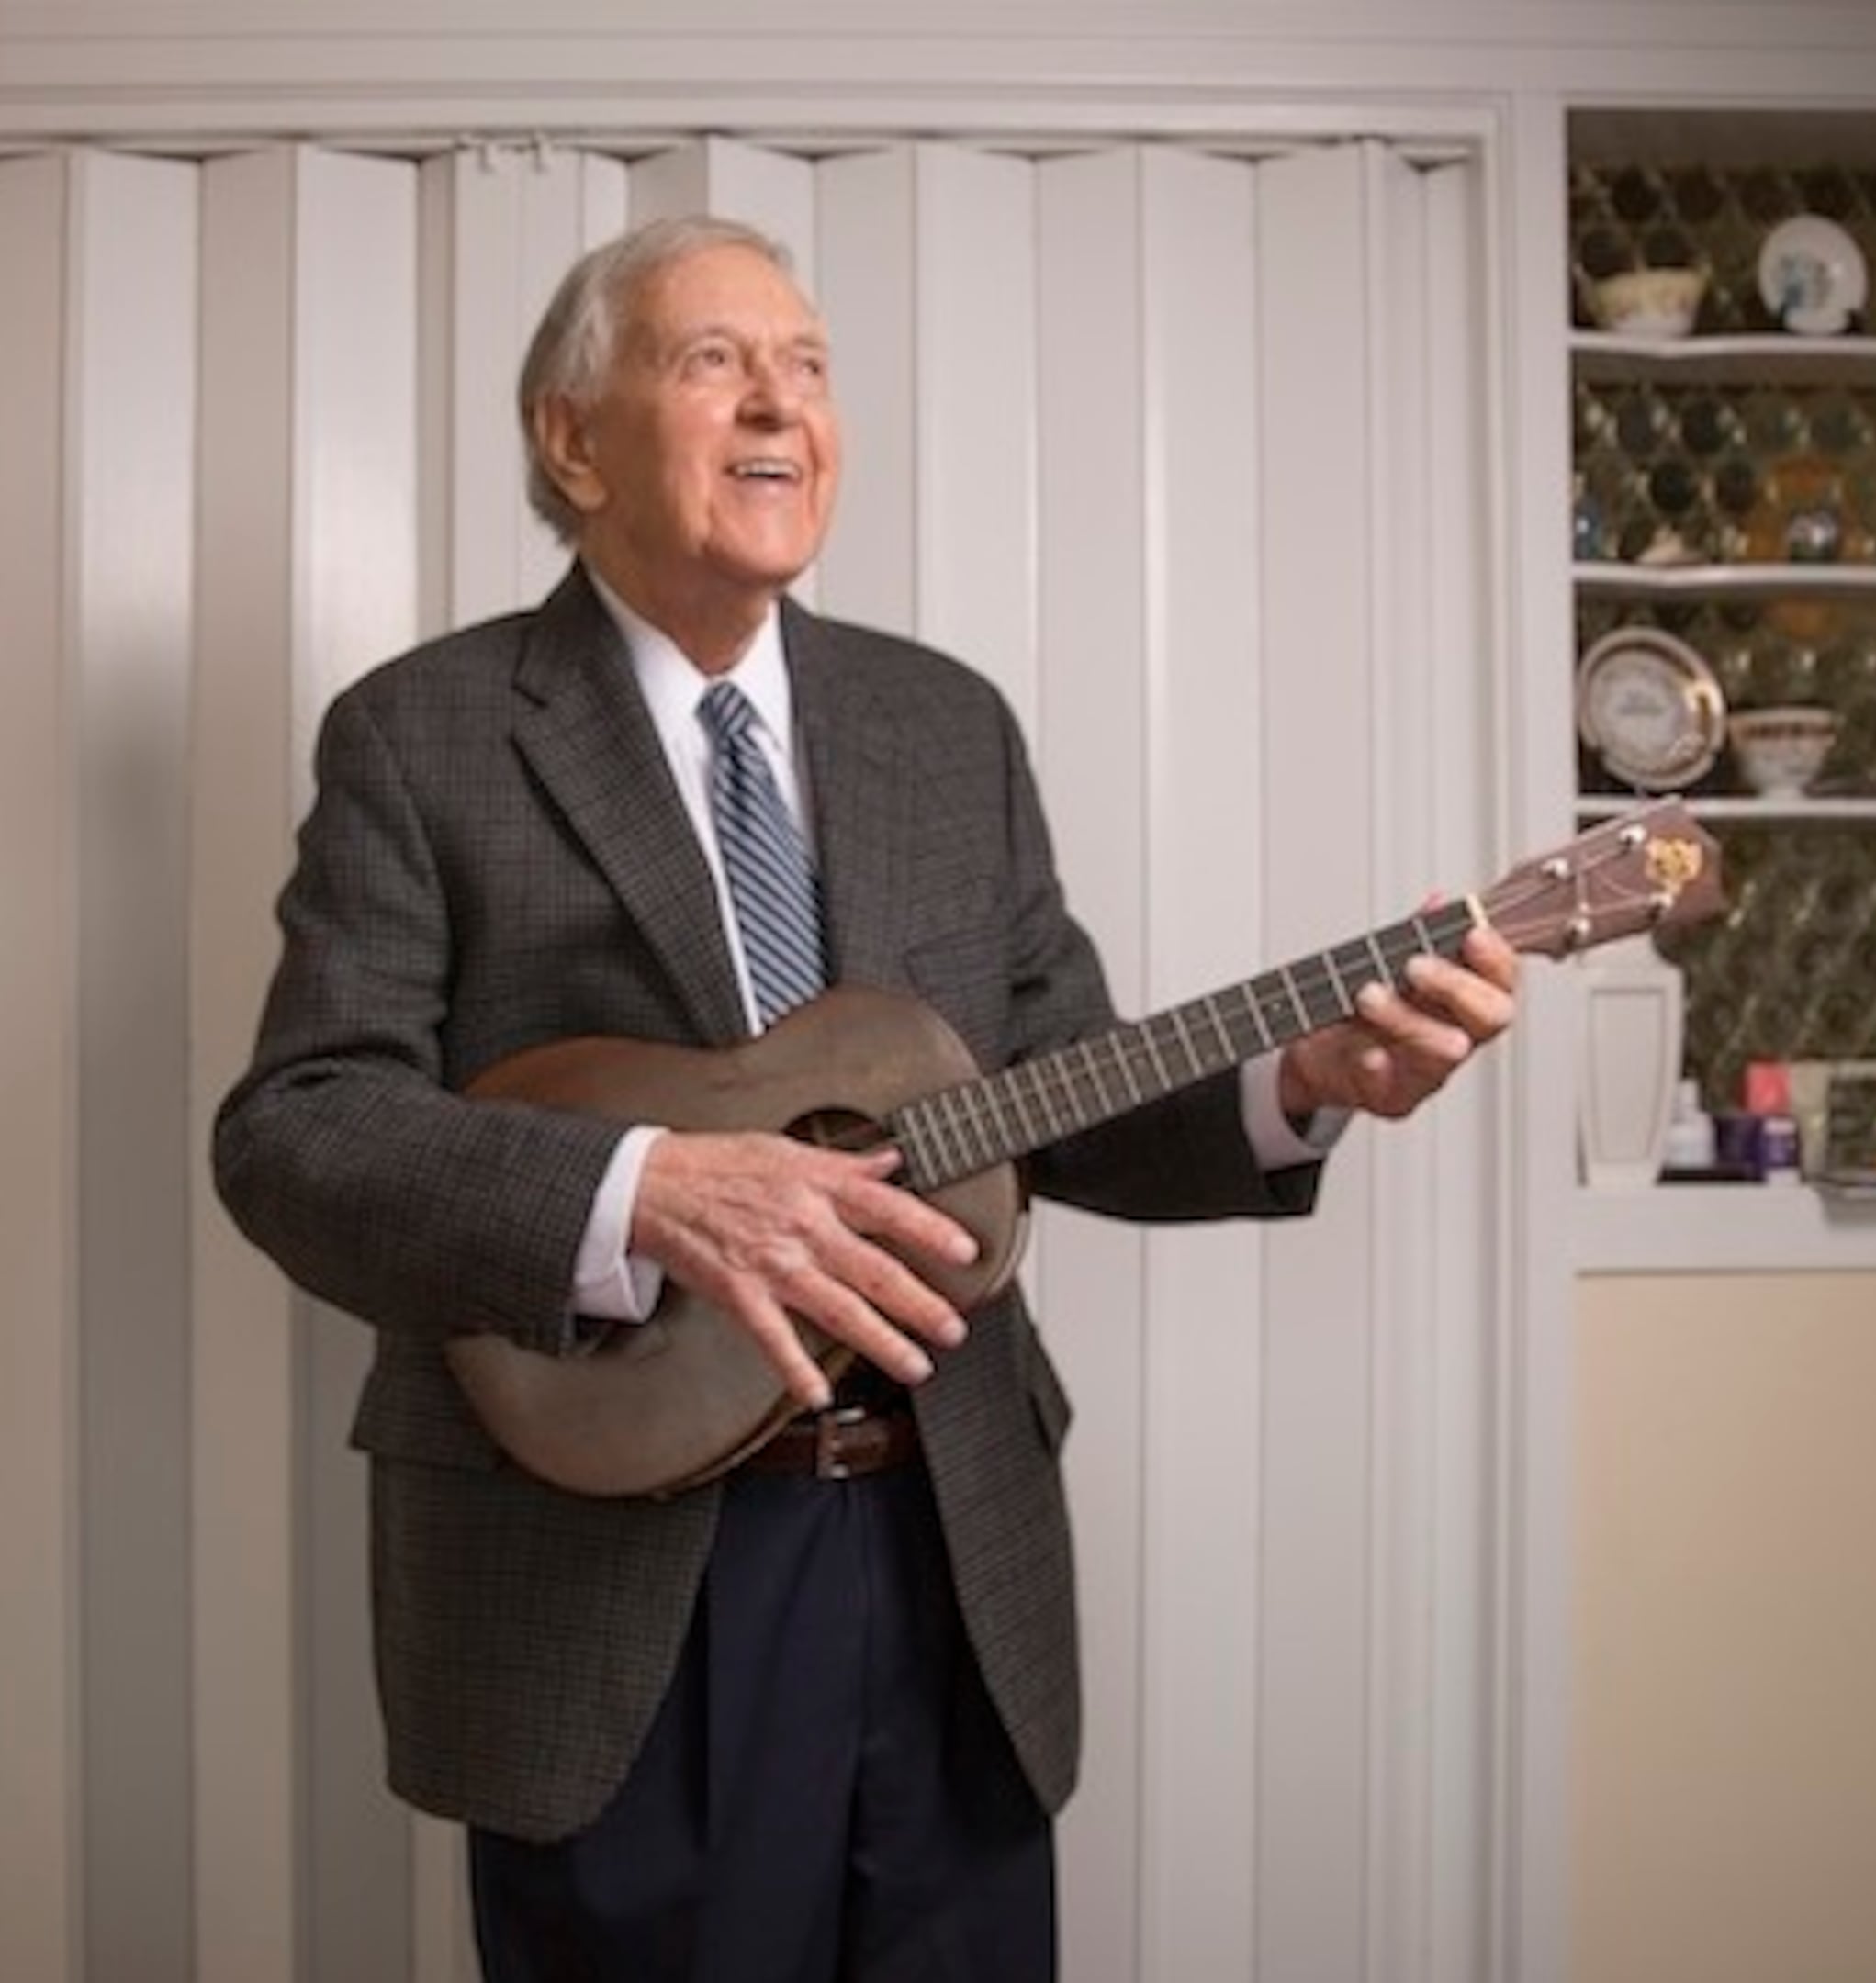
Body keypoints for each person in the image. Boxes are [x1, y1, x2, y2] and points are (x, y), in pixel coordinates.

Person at [211, 213, 1519, 1982]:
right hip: (608, 1573)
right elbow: (300, 1130)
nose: (783, 404)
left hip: (940, 1543)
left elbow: (1055, 1090)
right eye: (713, 360)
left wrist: (1301, 1084)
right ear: (571, 437)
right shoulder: (423, 734)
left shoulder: (941, 726)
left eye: (810, 366)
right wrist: (648, 1192)